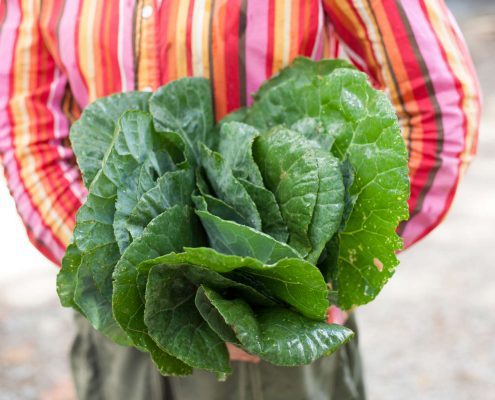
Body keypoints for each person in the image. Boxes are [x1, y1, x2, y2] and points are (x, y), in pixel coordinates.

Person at [0, 1, 481, 399]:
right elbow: (28, 127)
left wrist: (312, 285)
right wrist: (117, 276)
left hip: (270, 340)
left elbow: (438, 110)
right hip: (120, 328)